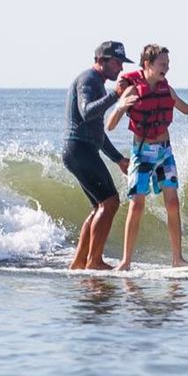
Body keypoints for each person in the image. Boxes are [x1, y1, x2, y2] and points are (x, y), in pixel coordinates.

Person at [106, 44, 188, 269]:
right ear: (147, 64)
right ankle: (126, 262)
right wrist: (120, 107)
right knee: (136, 205)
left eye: (168, 64)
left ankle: (177, 259)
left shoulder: (167, 88)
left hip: (165, 153)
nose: (167, 68)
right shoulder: (132, 90)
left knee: (173, 204)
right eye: (162, 64)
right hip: (142, 155)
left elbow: (186, 109)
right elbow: (109, 126)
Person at [62, 41, 135, 270]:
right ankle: (94, 262)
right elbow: (86, 112)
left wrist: (118, 159)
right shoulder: (88, 80)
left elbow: (98, 133)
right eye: (116, 62)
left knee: (99, 207)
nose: (120, 69)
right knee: (110, 202)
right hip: (78, 149)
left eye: (122, 63)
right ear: (101, 60)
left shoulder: (98, 83)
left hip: (83, 149)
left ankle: (79, 262)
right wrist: (116, 95)